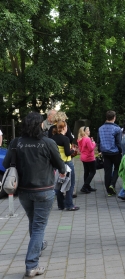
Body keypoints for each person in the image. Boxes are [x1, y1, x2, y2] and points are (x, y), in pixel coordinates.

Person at [3, 112, 66, 277]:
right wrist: (62, 173)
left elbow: (5, 163)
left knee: (34, 222)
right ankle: (32, 265)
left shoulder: (16, 143)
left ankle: (38, 246)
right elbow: (60, 165)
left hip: (23, 191)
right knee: (38, 226)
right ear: (40, 125)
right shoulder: (47, 142)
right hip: (44, 190)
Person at [52, 121, 79, 211]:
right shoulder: (65, 139)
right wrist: (73, 150)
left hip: (57, 163)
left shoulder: (53, 138)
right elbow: (68, 153)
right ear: (64, 128)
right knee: (70, 184)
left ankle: (60, 205)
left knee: (59, 184)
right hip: (67, 163)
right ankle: (69, 204)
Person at [97, 110, 122, 197]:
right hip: (115, 152)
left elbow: (99, 141)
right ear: (114, 118)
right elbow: (118, 142)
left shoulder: (100, 128)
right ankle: (112, 184)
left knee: (107, 171)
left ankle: (109, 190)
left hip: (105, 152)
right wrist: (121, 150)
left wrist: (100, 150)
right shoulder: (117, 129)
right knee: (117, 168)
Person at [77, 126, 97, 194]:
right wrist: (93, 143)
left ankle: (87, 186)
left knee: (86, 171)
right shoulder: (87, 139)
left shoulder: (80, 139)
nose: (89, 132)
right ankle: (85, 186)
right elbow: (91, 148)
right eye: (88, 130)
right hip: (89, 157)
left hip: (83, 157)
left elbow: (80, 149)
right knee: (93, 172)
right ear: (84, 132)